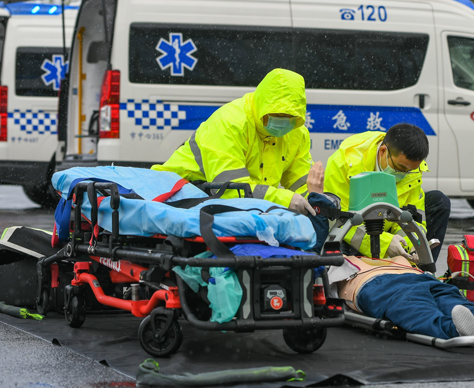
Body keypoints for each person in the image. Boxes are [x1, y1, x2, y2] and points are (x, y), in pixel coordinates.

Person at [153, 68, 318, 216]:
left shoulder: (297, 132)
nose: (283, 122)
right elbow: (230, 190)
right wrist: (285, 199)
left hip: (223, 206)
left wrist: (317, 200)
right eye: (275, 115)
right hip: (176, 197)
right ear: (262, 106)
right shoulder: (228, 124)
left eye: (290, 117)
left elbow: (301, 183)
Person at [324, 123, 451, 261]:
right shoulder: (345, 163)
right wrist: (385, 243)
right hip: (355, 230)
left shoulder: (412, 169)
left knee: (439, 201)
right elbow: (341, 220)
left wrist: (413, 245)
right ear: (383, 151)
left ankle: (421, 267)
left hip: (389, 225)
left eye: (408, 171)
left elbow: (412, 215)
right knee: (336, 255)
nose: (403, 174)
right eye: (399, 168)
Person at [329, 254, 474, 341]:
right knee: (417, 309)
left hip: (416, 275)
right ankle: (455, 330)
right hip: (375, 283)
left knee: (451, 299)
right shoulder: (332, 256)